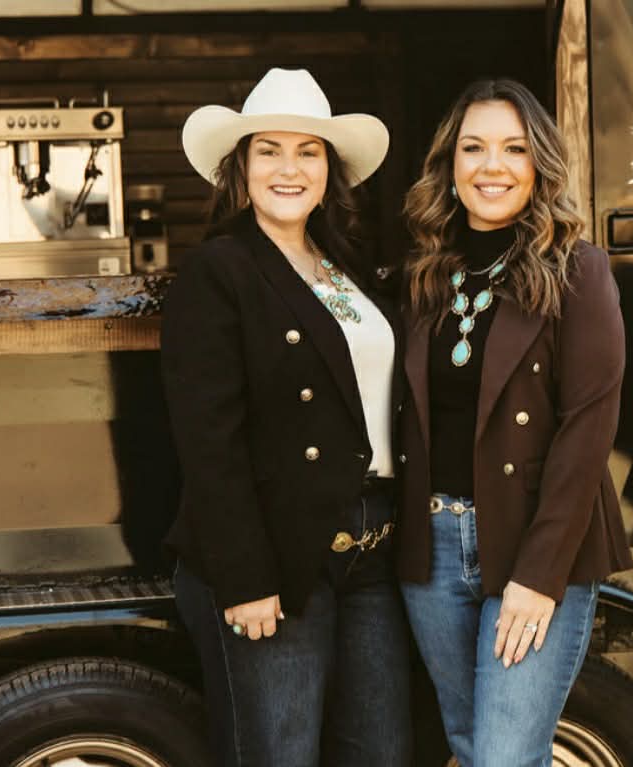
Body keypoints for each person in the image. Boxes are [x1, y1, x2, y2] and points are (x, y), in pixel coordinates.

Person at [161, 67, 410, 766]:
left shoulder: (347, 268)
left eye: (308, 151)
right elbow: (208, 439)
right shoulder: (221, 271)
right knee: (279, 755)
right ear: (240, 168)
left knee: (383, 753)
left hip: (372, 549)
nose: (288, 168)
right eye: (268, 150)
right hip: (273, 551)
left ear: (330, 169)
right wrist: (243, 576)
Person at [395, 78, 633, 766]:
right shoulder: (422, 276)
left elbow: (589, 429)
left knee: (503, 756)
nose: (491, 166)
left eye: (513, 149)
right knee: (473, 750)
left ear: (540, 167)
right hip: (431, 553)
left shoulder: (578, 272)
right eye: (473, 148)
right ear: (449, 164)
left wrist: (540, 573)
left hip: (533, 544)